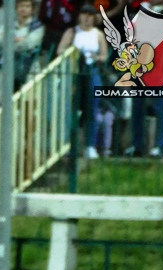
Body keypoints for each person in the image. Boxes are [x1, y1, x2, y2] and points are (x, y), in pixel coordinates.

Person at [57, 4, 107, 159]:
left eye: (90, 15)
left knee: (92, 108)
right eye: (84, 15)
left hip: (91, 70)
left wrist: (96, 57)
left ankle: (90, 145)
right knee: (72, 110)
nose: (87, 18)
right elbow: (60, 50)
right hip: (75, 70)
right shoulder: (72, 32)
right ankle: (69, 144)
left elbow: (104, 55)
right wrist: (73, 53)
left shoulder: (98, 34)